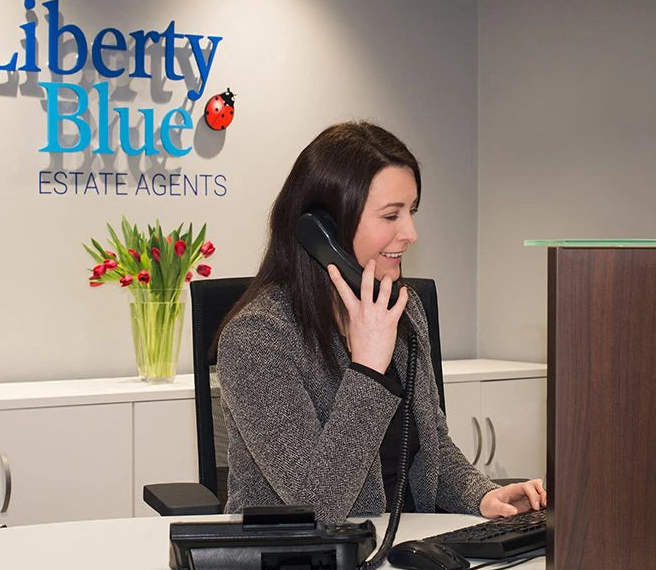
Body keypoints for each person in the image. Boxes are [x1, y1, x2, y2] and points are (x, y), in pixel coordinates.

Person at [216, 121, 546, 522]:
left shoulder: (403, 310)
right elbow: (317, 508)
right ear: (324, 231)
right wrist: (368, 369)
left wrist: (482, 495)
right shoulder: (258, 338)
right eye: (391, 215)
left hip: (404, 551)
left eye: (412, 211)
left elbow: (431, 447)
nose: (411, 233)